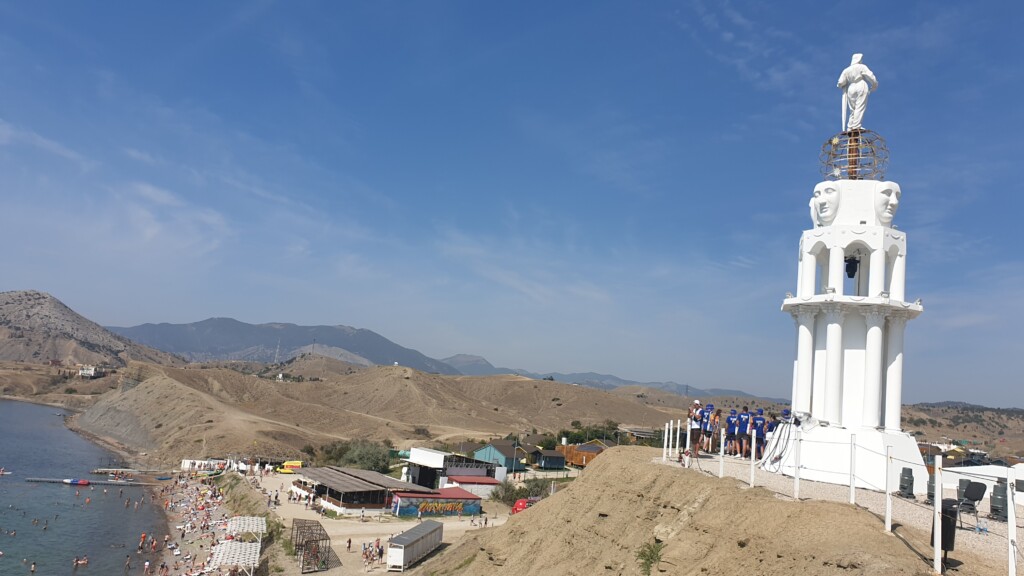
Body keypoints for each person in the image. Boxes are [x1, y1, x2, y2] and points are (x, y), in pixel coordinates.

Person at [837, 53, 878, 131]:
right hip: (860, 85)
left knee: (852, 109)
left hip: (851, 88)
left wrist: (842, 84)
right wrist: (874, 84)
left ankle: (850, 126)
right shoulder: (862, 66)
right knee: (859, 106)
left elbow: (840, 83)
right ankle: (856, 126)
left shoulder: (846, 70)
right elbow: (870, 76)